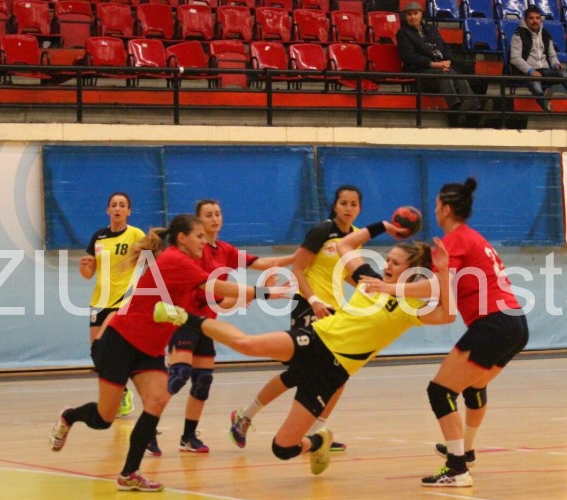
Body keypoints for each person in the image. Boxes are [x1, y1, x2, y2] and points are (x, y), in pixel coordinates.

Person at [154, 218, 455, 476]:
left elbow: (448, 313)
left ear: (412, 269)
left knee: (282, 448)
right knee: (246, 344)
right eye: (387, 259)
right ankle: (184, 316)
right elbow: (344, 246)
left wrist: (441, 269)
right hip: (316, 339)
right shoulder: (369, 279)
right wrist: (380, 227)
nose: (386, 264)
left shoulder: (411, 306)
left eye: (394, 262)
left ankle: (318, 442)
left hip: (335, 370)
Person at [50, 214, 291, 492]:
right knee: (105, 418)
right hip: (121, 341)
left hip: (149, 348)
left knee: (158, 399)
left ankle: (129, 473)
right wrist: (263, 292)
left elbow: (215, 298)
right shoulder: (174, 259)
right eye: (198, 236)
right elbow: (215, 287)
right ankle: (69, 416)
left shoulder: (189, 266)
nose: (204, 241)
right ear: (181, 238)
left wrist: (248, 296)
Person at [361, 178, 528, 487]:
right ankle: (466, 450)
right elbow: (445, 293)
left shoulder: (454, 241)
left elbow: (438, 286)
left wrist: (388, 287)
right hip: (515, 323)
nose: (434, 210)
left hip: (493, 322)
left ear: (447, 209)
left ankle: (456, 468)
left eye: (437, 205)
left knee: (440, 391)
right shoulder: (473, 238)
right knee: (473, 386)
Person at [150, 199, 295, 456]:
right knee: (180, 374)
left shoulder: (225, 250)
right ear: (197, 223)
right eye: (208, 215)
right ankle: (149, 426)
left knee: (202, 381)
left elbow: (261, 264)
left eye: (218, 213)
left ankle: (188, 436)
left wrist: (298, 256)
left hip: (207, 323)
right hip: (184, 319)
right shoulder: (193, 251)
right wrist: (256, 293)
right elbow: (210, 290)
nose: (215, 218)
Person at [229, 185, 363, 453]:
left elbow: (342, 272)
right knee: (300, 372)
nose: (348, 208)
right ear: (335, 206)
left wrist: (363, 283)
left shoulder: (356, 236)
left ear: (359, 208)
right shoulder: (322, 232)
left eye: (354, 204)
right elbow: (299, 269)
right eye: (343, 203)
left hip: (335, 313)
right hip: (308, 307)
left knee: (338, 374)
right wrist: (313, 300)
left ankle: (317, 434)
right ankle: (245, 416)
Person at [79, 192, 145, 419]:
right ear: (107, 210)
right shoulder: (99, 237)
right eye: (114, 205)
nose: (117, 208)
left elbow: (152, 261)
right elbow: (89, 274)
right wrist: (84, 267)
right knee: (97, 353)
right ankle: (123, 392)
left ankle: (122, 396)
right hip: (100, 300)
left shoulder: (136, 234)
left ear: (129, 211)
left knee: (104, 343)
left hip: (124, 299)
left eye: (122, 205)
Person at [396, 2, 483, 126]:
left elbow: (445, 46)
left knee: (457, 74)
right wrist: (434, 64)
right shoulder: (403, 34)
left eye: (415, 13)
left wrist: (448, 60)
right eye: (409, 14)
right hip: (420, 70)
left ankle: (474, 107)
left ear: (421, 14)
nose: (412, 17)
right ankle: (456, 109)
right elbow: (409, 57)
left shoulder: (431, 29)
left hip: (441, 65)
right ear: (406, 16)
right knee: (445, 74)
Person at [510, 5, 567, 112]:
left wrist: (556, 64)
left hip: (544, 70)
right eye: (531, 18)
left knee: (562, 72)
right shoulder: (518, 35)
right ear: (526, 20)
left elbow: (552, 55)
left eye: (537, 18)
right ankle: (544, 101)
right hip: (526, 72)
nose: (535, 21)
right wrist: (531, 70)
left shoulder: (545, 34)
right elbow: (514, 58)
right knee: (535, 84)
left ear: (540, 19)